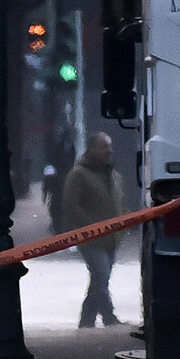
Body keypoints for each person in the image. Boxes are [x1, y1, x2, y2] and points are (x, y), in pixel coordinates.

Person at [62, 132, 124, 328]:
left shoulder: (114, 176)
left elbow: (121, 202)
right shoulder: (79, 175)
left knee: (99, 280)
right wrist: (90, 226)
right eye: (104, 146)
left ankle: (86, 321)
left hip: (112, 238)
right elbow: (71, 205)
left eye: (110, 146)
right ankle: (109, 317)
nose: (109, 151)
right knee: (101, 276)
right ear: (92, 149)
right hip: (91, 239)